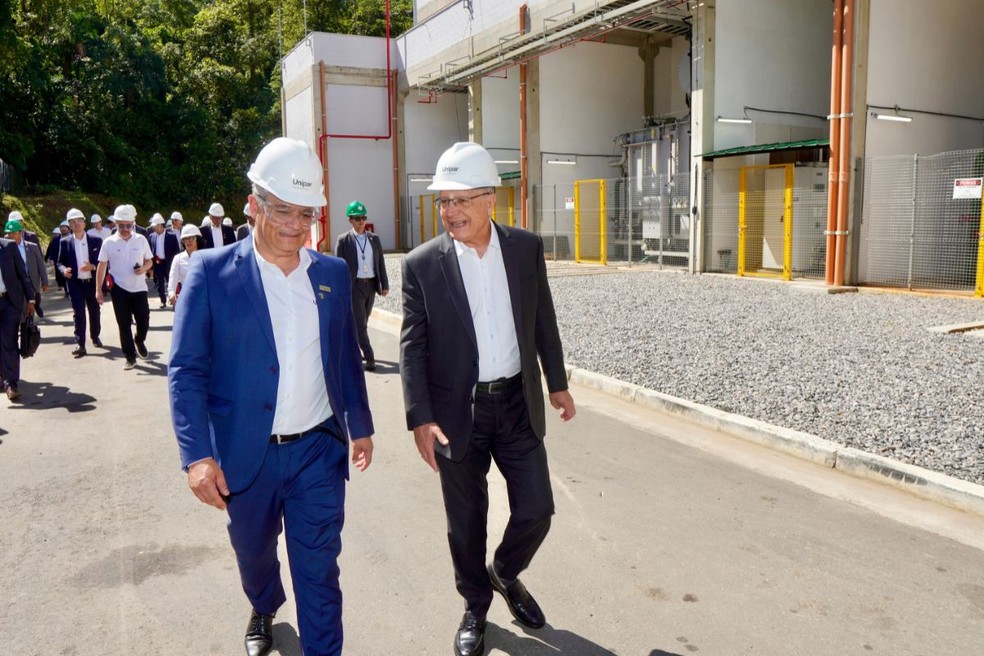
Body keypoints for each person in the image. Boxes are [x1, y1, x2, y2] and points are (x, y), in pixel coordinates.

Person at [168, 137, 374, 656]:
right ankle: (263, 603)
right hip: (244, 456)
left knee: (320, 574)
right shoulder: (211, 274)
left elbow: (345, 355)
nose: (294, 225)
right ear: (255, 204)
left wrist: (362, 422)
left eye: (305, 213)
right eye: (281, 209)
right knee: (254, 554)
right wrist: (197, 456)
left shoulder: (330, 274)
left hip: (316, 453)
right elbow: (186, 371)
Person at [399, 142, 576, 656]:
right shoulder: (422, 265)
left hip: (517, 404)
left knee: (538, 509)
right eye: (443, 202)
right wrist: (420, 419)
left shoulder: (523, 248)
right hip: (457, 415)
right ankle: (475, 606)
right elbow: (413, 348)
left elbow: (542, 318)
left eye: (460, 200)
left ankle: (505, 571)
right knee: (466, 521)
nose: (450, 212)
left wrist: (557, 382)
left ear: (490, 200)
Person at [95, 204, 152, 371]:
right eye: (122, 226)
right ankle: (130, 357)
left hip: (139, 288)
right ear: (116, 224)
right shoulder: (109, 243)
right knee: (124, 324)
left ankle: (139, 340)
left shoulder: (141, 240)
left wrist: (144, 268)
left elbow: (149, 260)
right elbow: (102, 266)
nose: (126, 229)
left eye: (129, 226)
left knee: (144, 319)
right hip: (119, 289)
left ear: (133, 224)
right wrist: (98, 289)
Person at [335, 200, 389, 371]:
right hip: (355, 286)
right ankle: (369, 356)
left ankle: (351, 349)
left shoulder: (374, 239)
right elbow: (339, 266)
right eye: (357, 218)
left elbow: (380, 262)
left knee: (363, 321)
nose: (361, 222)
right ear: (350, 220)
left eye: (363, 218)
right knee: (360, 324)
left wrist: (384, 284)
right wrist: (340, 289)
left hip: (371, 285)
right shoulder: (343, 241)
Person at [58, 208, 103, 357]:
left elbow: (102, 262)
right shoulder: (65, 242)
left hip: (91, 282)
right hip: (75, 283)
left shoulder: (96, 241)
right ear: (69, 225)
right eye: (73, 222)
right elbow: (59, 262)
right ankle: (80, 343)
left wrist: (93, 266)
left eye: (79, 221)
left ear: (84, 223)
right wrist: (64, 270)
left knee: (94, 312)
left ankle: (95, 336)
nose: (76, 224)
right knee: (78, 314)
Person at [0, 234, 36, 401]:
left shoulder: (9, 247)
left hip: (9, 301)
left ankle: (11, 384)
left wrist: (31, 299)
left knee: (9, 342)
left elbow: (23, 273)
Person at [5, 217, 48, 316]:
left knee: (30, 310)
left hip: (31, 282)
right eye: (8, 233)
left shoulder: (32, 247)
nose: (10, 236)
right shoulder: (4, 248)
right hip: (15, 284)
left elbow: (40, 264)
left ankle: (29, 326)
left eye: (13, 233)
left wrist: (44, 281)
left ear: (20, 233)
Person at [148, 213, 180, 309]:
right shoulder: (151, 236)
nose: (153, 228)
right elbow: (150, 250)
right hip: (157, 263)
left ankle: (172, 298)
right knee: (159, 283)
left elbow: (176, 251)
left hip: (168, 263)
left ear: (159, 225)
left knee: (171, 281)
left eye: (154, 226)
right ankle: (163, 300)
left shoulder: (171, 236)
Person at [166, 224, 201, 306]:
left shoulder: (205, 256)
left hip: (202, 297)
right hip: (185, 297)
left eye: (191, 238)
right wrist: (171, 292)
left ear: (197, 239)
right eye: (185, 239)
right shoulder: (178, 258)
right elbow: (173, 277)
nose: (188, 242)